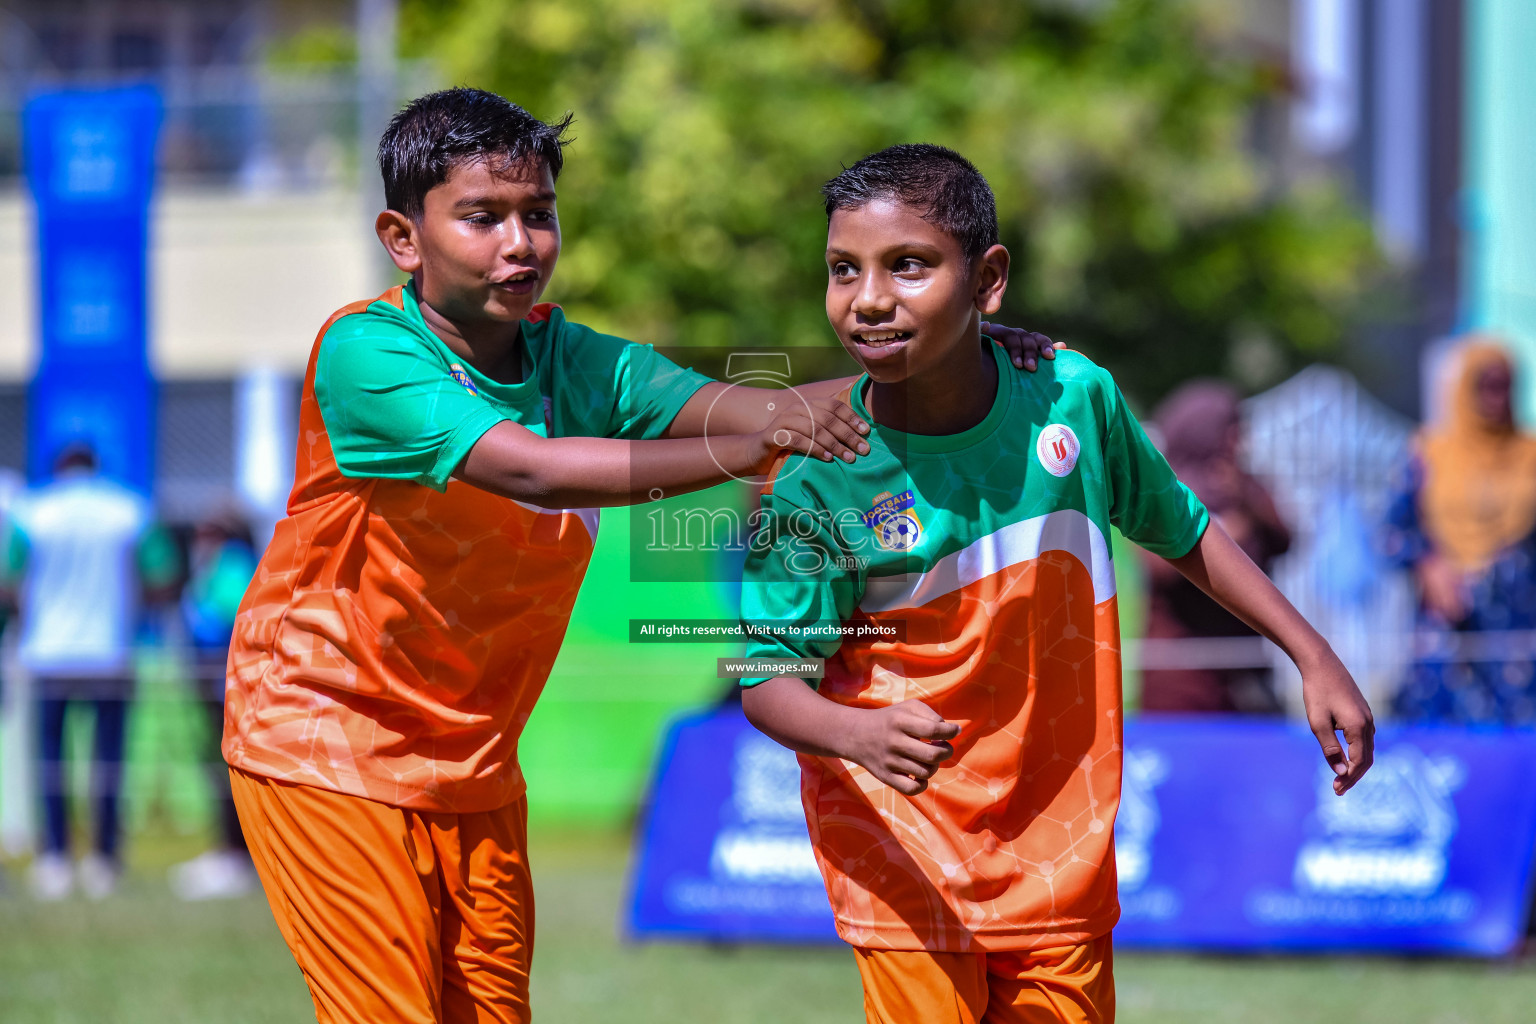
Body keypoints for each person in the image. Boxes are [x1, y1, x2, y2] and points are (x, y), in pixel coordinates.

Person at [222, 89, 1058, 1024]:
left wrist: (950, 353)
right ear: (402, 237)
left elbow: (744, 405)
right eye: (481, 216)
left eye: (537, 214)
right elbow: (535, 471)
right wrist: (743, 450)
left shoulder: (569, 356)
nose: (520, 242)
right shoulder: (367, 351)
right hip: (322, 734)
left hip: (472, 758)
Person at [738, 144, 1374, 1024]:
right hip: (899, 847)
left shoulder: (1073, 398)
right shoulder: (814, 471)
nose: (869, 298)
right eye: (844, 270)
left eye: (909, 265)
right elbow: (766, 680)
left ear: (988, 279)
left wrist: (1313, 652)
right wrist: (858, 733)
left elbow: (1183, 527)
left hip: (1056, 842)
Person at [4, 442, 180, 900]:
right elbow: (162, 575)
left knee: (50, 762)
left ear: (58, 468)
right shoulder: (129, 509)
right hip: (110, 651)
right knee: (108, 761)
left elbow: (9, 580)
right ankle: (104, 858)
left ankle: (56, 857)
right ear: (95, 468)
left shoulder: (31, 512)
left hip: (49, 652)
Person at [1385, 338, 1536, 724]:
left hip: (1517, 635)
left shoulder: (1529, 453)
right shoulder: (1430, 452)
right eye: (1484, 385)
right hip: (1447, 632)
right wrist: (1429, 567)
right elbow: (1393, 530)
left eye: (1503, 385)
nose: (1495, 397)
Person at [1139, 381, 1292, 713]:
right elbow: (1161, 567)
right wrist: (1228, 537)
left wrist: (1246, 502)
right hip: (1183, 673)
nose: (1239, 440)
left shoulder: (1245, 486)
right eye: (1229, 429)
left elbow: (1286, 539)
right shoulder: (1164, 490)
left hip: (1246, 673)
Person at [167, 507, 260, 900]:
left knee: (230, 773)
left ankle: (235, 856)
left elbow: (231, 615)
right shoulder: (223, 563)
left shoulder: (234, 562)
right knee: (222, 772)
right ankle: (231, 853)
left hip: (229, 686)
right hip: (217, 684)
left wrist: (196, 614)